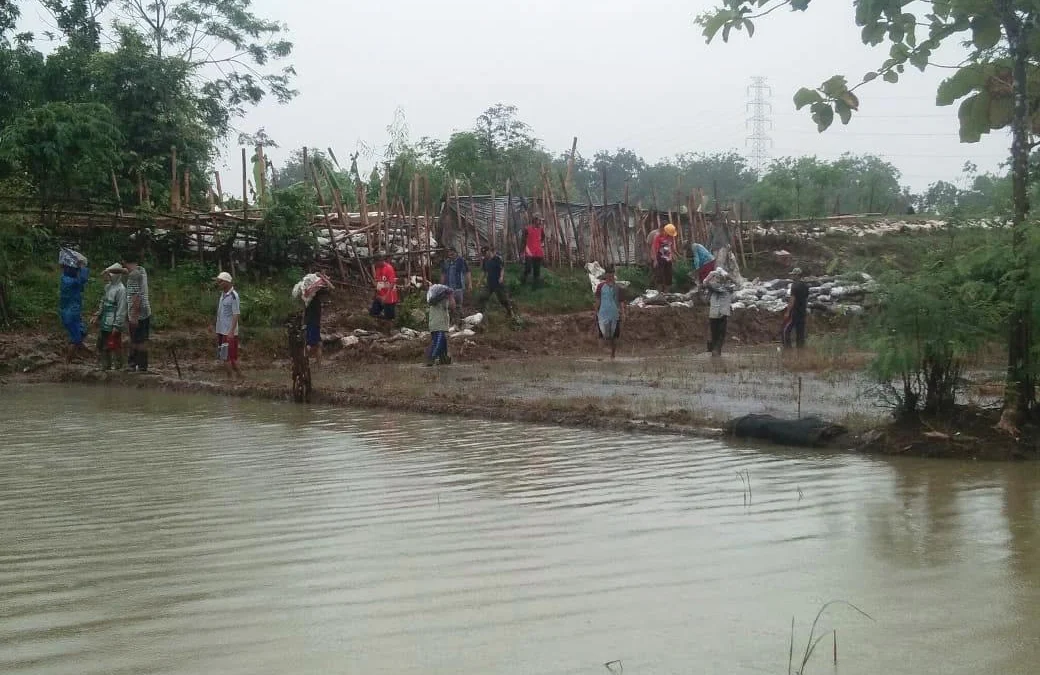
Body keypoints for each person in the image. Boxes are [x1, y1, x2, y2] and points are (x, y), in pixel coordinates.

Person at [91, 263, 128, 371]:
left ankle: (118, 367)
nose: (108, 277)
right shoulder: (108, 287)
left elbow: (122, 309)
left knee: (115, 344)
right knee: (102, 343)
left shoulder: (121, 290)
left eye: (110, 274)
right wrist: (97, 314)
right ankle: (105, 366)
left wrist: (117, 325)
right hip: (105, 320)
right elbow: (103, 302)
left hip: (114, 321)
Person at [122, 252, 152, 373]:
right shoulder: (141, 271)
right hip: (145, 311)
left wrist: (133, 316)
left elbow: (136, 297)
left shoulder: (134, 275)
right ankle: (141, 365)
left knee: (136, 339)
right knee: (141, 339)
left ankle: (134, 364)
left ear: (124, 262)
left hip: (138, 313)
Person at [58, 249, 90, 362]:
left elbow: (81, 284)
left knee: (82, 332)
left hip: (74, 312)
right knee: (76, 337)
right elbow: (83, 279)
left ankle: (74, 355)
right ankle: (68, 361)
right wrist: (82, 267)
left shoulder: (68, 279)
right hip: (70, 314)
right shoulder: (67, 280)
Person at [214, 271, 242, 378]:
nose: (219, 283)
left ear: (227, 282)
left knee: (226, 357)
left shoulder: (234, 296)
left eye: (220, 281)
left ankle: (231, 378)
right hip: (221, 330)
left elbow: (236, 314)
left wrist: (231, 331)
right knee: (227, 357)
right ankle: (239, 377)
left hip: (228, 331)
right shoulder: (223, 294)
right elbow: (220, 313)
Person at [594, 265, 625, 359]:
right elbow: (597, 300)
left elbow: (621, 302)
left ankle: (612, 355)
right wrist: (596, 312)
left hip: (614, 314)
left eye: (612, 275)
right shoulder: (600, 287)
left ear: (613, 275)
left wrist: (623, 313)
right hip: (603, 314)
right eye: (608, 275)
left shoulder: (618, 288)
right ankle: (602, 354)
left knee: (614, 336)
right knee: (601, 335)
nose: (610, 277)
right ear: (606, 275)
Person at [704, 267, 737, 357]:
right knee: (720, 334)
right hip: (720, 314)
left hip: (716, 314)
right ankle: (716, 350)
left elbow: (705, 282)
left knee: (716, 333)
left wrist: (711, 274)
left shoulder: (720, 288)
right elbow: (736, 283)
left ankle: (715, 350)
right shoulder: (725, 288)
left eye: (718, 278)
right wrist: (726, 275)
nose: (717, 279)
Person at [477, 246, 514, 318]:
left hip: (498, 283)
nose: (484, 254)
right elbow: (484, 272)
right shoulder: (485, 260)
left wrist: (501, 277)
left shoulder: (497, 259)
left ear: (489, 251)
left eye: (485, 252)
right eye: (483, 253)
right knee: (483, 296)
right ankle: (482, 314)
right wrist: (479, 281)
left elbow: (502, 268)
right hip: (489, 283)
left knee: (503, 299)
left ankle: (510, 311)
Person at [425, 283, 455, 366]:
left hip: (434, 325)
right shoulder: (443, 300)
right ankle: (431, 359)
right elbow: (453, 306)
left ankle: (444, 360)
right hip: (440, 326)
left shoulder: (434, 301)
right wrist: (451, 296)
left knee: (442, 344)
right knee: (438, 344)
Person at [440, 247, 471, 321]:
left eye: (452, 254)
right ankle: (452, 319)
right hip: (449, 287)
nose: (450, 256)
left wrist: (469, 283)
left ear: (456, 253)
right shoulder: (446, 262)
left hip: (459, 286)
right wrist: (441, 285)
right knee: (451, 305)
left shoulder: (461, 261)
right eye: (449, 254)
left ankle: (460, 320)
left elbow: (467, 272)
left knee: (459, 305)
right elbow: (443, 274)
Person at [783, 268, 810, 349]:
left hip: (795, 312)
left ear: (797, 275)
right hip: (802, 312)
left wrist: (787, 312)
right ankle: (800, 353)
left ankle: (788, 350)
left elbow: (792, 300)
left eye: (793, 275)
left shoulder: (794, 285)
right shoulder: (806, 286)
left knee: (786, 331)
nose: (792, 276)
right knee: (800, 334)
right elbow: (806, 298)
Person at [520, 213, 547, 287]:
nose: (541, 222)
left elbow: (543, 238)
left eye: (541, 221)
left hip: (538, 253)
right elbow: (523, 241)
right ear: (535, 220)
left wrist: (539, 245)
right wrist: (522, 252)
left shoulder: (541, 229)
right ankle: (522, 282)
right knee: (528, 268)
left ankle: (535, 286)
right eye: (539, 220)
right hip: (529, 252)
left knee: (537, 271)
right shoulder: (527, 229)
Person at [370, 256, 399, 321]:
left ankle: (389, 328)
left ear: (380, 261)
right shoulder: (378, 268)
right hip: (380, 295)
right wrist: (376, 294)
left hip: (389, 297)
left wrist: (385, 296)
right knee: (373, 313)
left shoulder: (389, 268)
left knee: (389, 318)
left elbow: (392, 283)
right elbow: (378, 281)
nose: (375, 264)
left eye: (376, 262)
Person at [304, 287, 329, 364]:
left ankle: (318, 362)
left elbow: (306, 314)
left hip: (311, 324)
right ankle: (304, 361)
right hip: (314, 325)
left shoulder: (308, 302)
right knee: (310, 344)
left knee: (318, 343)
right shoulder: (316, 302)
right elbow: (316, 315)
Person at [650, 223, 678, 291]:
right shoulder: (658, 237)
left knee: (668, 275)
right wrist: (655, 260)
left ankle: (667, 292)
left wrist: (672, 256)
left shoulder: (670, 237)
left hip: (668, 259)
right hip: (660, 258)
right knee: (660, 275)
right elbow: (655, 248)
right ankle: (659, 292)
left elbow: (670, 247)